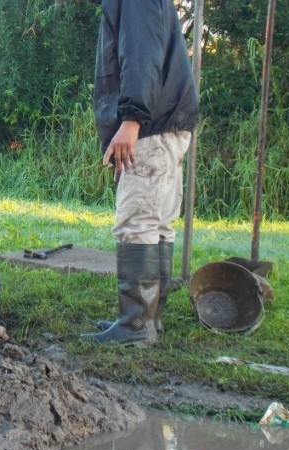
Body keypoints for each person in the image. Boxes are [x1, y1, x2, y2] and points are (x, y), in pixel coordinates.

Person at [81, 0, 199, 345]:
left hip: (150, 123)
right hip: (167, 120)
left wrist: (132, 119)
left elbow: (140, 53)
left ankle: (136, 327)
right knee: (158, 221)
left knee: (137, 220)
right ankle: (148, 319)